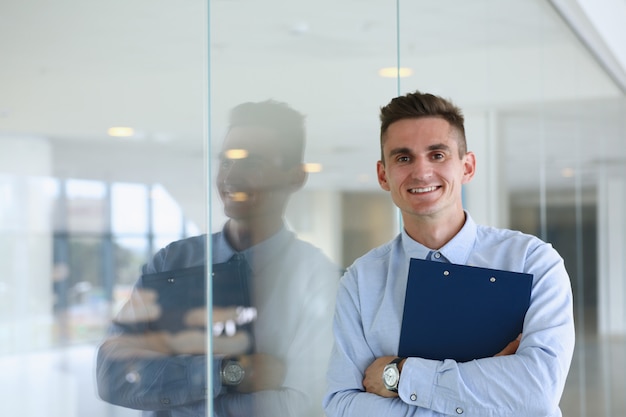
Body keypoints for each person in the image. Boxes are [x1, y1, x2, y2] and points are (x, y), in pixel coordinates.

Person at [323, 90, 575, 417]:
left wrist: (400, 376)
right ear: (383, 175)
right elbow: (342, 405)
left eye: (437, 155)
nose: (421, 172)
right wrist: (487, 395)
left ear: (467, 166)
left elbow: (538, 392)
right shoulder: (361, 281)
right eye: (403, 157)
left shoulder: (533, 262)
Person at [96, 100, 340, 417]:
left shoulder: (320, 279)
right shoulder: (172, 262)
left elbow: (299, 407)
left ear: (295, 177)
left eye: (253, 163)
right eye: (226, 162)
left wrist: (172, 392)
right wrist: (229, 372)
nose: (232, 177)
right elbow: (111, 374)